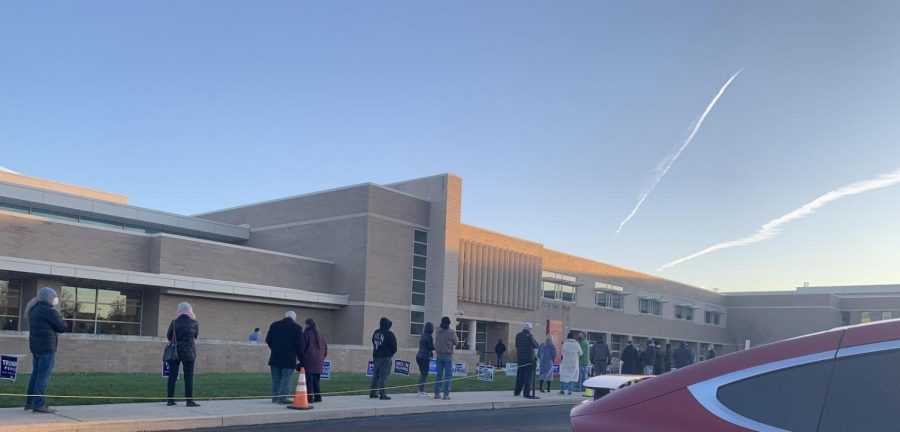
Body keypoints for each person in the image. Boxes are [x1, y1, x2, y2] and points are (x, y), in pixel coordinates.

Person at [25, 287, 67, 413]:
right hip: (47, 349)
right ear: (49, 298)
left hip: (36, 348)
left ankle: (30, 402)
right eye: (54, 296)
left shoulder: (34, 309)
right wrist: (63, 320)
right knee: (43, 378)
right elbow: (62, 327)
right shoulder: (49, 312)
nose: (55, 299)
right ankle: (39, 404)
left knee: (36, 375)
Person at [166, 302, 200, 407]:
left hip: (175, 352)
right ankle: (189, 401)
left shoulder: (174, 322)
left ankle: (170, 400)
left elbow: (169, 336)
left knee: (172, 376)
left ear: (179, 310)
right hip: (189, 352)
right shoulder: (194, 323)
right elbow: (195, 336)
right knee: (188, 377)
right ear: (190, 310)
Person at [266, 311, 304, 404]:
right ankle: (283, 398)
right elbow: (299, 345)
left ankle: (275, 397)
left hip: (275, 357)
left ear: (285, 316)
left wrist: (274, 348)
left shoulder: (274, 325)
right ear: (294, 318)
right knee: (286, 377)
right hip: (289, 358)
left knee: (276, 378)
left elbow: (268, 340)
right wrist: (300, 358)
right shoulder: (297, 328)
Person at [370, 317, 397, 400]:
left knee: (376, 375)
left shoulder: (376, 332)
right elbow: (394, 347)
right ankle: (382, 394)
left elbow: (373, 342)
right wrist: (391, 353)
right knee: (383, 376)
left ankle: (373, 393)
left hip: (376, 356)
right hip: (385, 357)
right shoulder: (390, 334)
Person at [301, 318, 327, 403]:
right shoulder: (320, 334)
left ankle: (309, 398)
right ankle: (318, 397)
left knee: (309, 381)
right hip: (319, 361)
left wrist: (301, 359)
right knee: (316, 381)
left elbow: (302, 348)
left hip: (309, 360)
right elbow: (325, 348)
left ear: (307, 325)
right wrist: (322, 358)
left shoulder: (306, 334)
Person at [433, 316, 458, 400]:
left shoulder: (437, 331)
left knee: (438, 375)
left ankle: (437, 394)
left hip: (439, 355)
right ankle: (446, 395)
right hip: (447, 355)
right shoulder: (451, 332)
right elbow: (456, 342)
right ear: (449, 323)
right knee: (448, 375)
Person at [514, 323, 539, 399]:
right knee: (528, 377)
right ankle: (526, 393)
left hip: (520, 358)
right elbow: (536, 345)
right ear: (529, 329)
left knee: (520, 376)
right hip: (529, 359)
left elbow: (516, 345)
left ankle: (517, 392)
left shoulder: (518, 335)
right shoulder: (530, 336)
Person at [415, 321, 435, 397]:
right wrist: (435, 346)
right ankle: (420, 391)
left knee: (422, 374)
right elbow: (430, 347)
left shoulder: (423, 335)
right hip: (424, 357)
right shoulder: (429, 336)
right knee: (424, 374)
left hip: (419, 356)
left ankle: (421, 390)